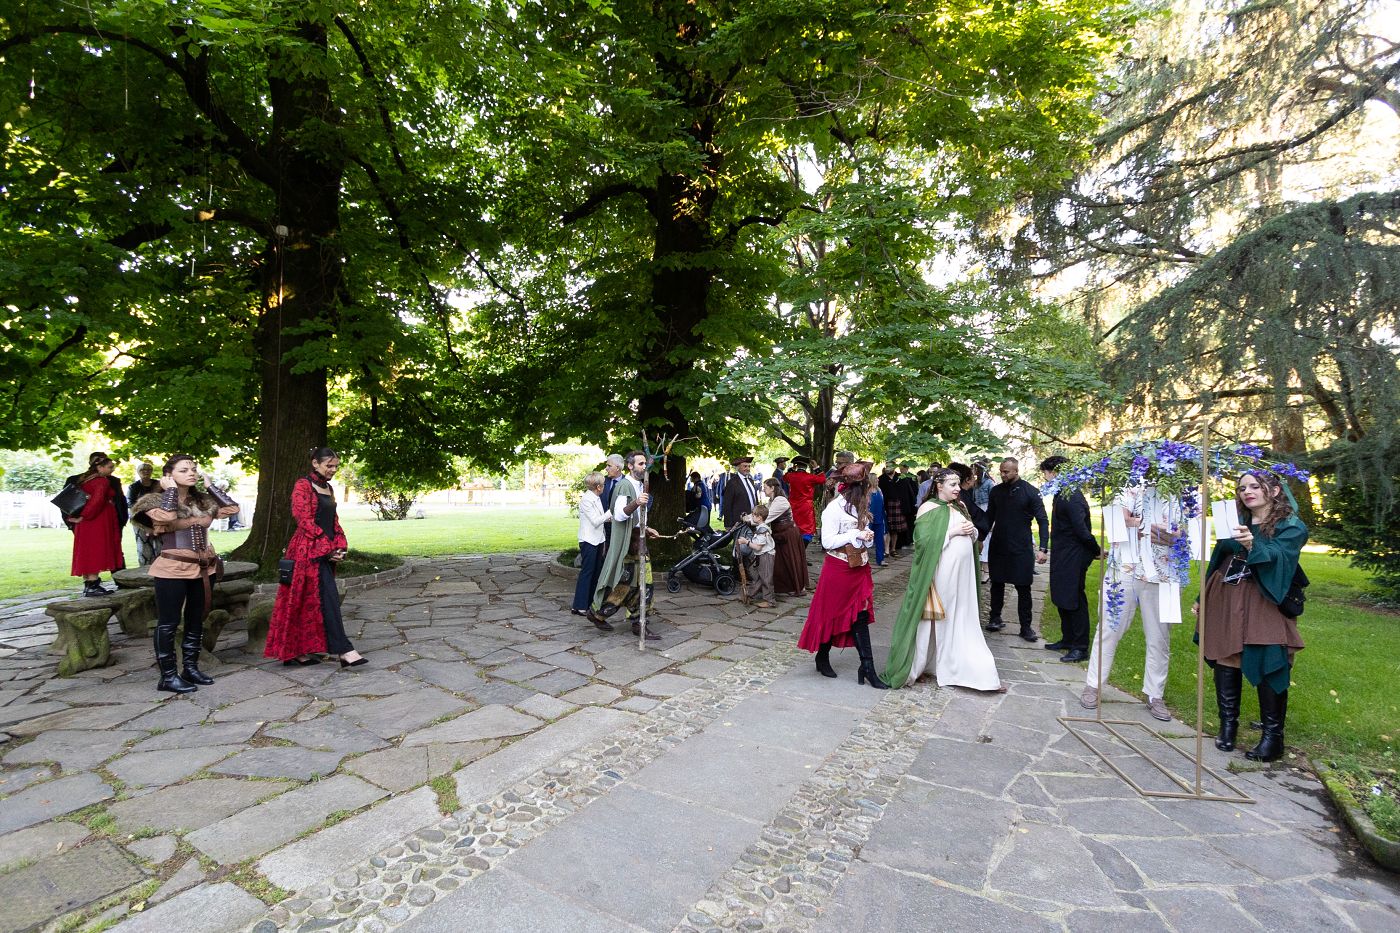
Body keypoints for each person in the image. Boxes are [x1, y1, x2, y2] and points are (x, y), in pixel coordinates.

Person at [1199, 470, 1307, 762]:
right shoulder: (1237, 521)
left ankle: (1273, 737)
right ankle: (1228, 726)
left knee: (1270, 655)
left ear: (1274, 490)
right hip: (1227, 595)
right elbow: (1218, 558)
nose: (1247, 491)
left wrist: (1251, 544)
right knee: (1226, 653)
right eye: (1242, 488)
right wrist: (1201, 597)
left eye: (1255, 486)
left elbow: (1280, 558)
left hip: (1265, 599)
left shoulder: (1291, 526)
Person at [884, 469, 1005, 691]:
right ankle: (930, 662)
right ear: (939, 486)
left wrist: (971, 531)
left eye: (958, 484)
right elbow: (922, 542)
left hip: (963, 576)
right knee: (941, 616)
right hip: (942, 574)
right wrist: (953, 531)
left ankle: (960, 665)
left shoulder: (960, 506)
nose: (958, 489)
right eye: (953, 485)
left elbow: (973, 536)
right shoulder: (927, 508)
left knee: (962, 615)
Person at [131, 454, 239, 693]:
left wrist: (210, 486)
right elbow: (169, 516)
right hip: (172, 568)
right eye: (184, 470)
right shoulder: (153, 502)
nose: (191, 473)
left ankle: (190, 668)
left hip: (203, 567)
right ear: (168, 475)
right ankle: (168, 676)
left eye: (194, 469)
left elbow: (232, 509)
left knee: (195, 619)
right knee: (168, 622)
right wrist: (170, 490)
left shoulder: (202, 501)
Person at [1080, 486, 1179, 722]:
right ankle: (1093, 685)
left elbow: (1180, 535)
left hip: (1163, 574)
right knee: (1109, 629)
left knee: (1159, 637)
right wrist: (1151, 527)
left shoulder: (1178, 494)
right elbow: (1118, 522)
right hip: (1124, 568)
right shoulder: (1127, 487)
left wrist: (1141, 525)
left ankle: (1155, 694)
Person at [265, 448, 366, 668]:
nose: (334, 469)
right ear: (315, 463)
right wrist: (327, 547)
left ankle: (298, 652)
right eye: (329, 465)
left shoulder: (328, 488)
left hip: (325, 551)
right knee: (326, 599)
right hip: (307, 552)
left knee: (311, 601)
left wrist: (339, 546)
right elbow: (303, 519)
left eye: (336, 466)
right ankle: (345, 651)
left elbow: (333, 520)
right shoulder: (303, 485)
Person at [797, 461, 887, 688]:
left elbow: (859, 534)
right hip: (838, 569)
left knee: (860, 615)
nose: (870, 490)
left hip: (860, 568)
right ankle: (822, 656)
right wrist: (855, 534)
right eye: (866, 486)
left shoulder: (860, 506)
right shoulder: (834, 509)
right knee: (832, 614)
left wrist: (865, 534)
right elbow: (828, 541)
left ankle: (867, 668)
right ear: (857, 488)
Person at [589, 451, 661, 639]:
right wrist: (636, 502)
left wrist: (647, 529)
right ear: (630, 466)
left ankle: (638, 623)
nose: (644, 467)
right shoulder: (624, 486)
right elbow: (620, 515)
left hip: (639, 540)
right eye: (640, 464)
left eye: (645, 464)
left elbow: (635, 519)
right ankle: (598, 613)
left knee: (644, 584)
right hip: (628, 544)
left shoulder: (641, 485)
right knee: (625, 584)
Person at [1040, 455, 1100, 662]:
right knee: (1061, 596)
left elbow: (1082, 530)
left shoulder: (1072, 495)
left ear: (1055, 472)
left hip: (1074, 555)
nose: (1045, 478)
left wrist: (1096, 549)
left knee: (1074, 598)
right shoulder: (1063, 493)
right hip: (1063, 553)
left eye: (1046, 473)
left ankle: (1080, 647)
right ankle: (1067, 639)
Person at [985, 457, 1049, 641]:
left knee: (1023, 587)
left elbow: (1043, 520)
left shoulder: (1031, 492)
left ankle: (1026, 627)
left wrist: (1043, 548)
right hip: (999, 545)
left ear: (1016, 471)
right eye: (1001, 471)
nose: (1003, 474)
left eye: (1006, 471)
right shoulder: (996, 491)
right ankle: (995, 618)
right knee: (997, 583)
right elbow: (989, 517)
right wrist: (980, 538)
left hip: (1021, 547)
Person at [66, 452, 127, 597]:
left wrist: (80, 517)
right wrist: (84, 516)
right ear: (100, 467)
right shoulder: (101, 481)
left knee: (87, 550)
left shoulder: (86, 479)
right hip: (97, 521)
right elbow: (96, 501)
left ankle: (89, 584)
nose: (112, 470)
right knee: (96, 550)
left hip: (87, 523)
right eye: (110, 467)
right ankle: (93, 584)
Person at [763, 477, 809, 596]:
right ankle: (786, 587)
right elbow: (762, 513)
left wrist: (751, 520)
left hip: (788, 534)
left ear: (772, 488)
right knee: (781, 563)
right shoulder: (772, 501)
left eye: (765, 488)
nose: (763, 490)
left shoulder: (780, 501)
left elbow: (766, 517)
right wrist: (749, 517)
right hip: (780, 534)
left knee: (791, 561)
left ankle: (797, 587)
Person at [572, 472, 608, 617]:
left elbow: (600, 518)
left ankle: (590, 603)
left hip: (598, 539)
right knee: (587, 572)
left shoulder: (596, 498)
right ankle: (580, 605)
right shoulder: (587, 500)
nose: (604, 486)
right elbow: (595, 521)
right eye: (603, 484)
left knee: (596, 572)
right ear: (598, 487)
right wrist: (611, 512)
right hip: (588, 541)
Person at [736, 504, 776, 608]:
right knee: (758, 577)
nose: (752, 517)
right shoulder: (760, 528)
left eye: (753, 515)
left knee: (766, 578)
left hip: (766, 556)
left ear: (759, 517)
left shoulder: (762, 530)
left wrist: (746, 542)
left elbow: (758, 547)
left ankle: (770, 601)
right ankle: (749, 594)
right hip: (762, 556)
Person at [127, 462, 161, 567]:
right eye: (142, 470)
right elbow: (131, 504)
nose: (146, 472)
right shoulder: (133, 487)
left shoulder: (158, 484)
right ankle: (145, 570)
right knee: (144, 548)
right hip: (140, 520)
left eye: (149, 470)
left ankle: (161, 569)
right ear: (138, 472)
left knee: (161, 547)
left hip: (158, 519)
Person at [784, 458, 825, 544]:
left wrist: (791, 469)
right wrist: (816, 467)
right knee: (807, 527)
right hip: (806, 506)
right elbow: (822, 479)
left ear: (796, 466)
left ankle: (794, 545)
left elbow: (785, 477)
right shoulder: (810, 477)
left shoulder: (791, 476)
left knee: (794, 524)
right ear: (806, 467)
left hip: (793, 505)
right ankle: (803, 546)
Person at [720, 456, 760, 529]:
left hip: (754, 520)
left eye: (749, 466)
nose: (747, 468)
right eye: (745, 466)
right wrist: (728, 525)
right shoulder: (732, 483)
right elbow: (727, 504)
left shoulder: (751, 481)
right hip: (739, 522)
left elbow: (755, 499)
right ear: (738, 467)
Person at [600, 455, 625, 544]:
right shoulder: (601, 481)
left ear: (617, 468)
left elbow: (647, 500)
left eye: (609, 466)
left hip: (621, 526)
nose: (606, 469)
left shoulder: (628, 482)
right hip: (602, 526)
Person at [868, 479, 887, 566]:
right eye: (875, 478)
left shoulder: (879, 490)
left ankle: (881, 559)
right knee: (865, 539)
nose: (877, 480)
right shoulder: (866, 492)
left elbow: (882, 504)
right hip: (869, 519)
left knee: (880, 540)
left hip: (879, 518)